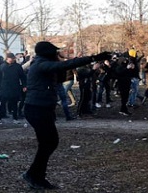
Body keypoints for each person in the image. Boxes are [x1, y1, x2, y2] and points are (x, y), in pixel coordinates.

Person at [21, 41, 111, 190]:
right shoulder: (41, 64)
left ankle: (36, 175)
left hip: (42, 108)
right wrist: (92, 58)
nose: (57, 54)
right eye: (54, 52)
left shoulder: (44, 64)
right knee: (49, 142)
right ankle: (33, 175)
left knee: (49, 143)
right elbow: (62, 66)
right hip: (37, 109)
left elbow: (61, 75)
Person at [0, 53, 26, 124]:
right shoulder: (2, 67)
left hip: (14, 87)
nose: (12, 59)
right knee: (2, 104)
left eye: (12, 58)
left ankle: (15, 118)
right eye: (10, 58)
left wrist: (24, 85)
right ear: (7, 58)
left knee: (14, 104)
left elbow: (22, 77)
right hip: (4, 88)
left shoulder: (17, 67)